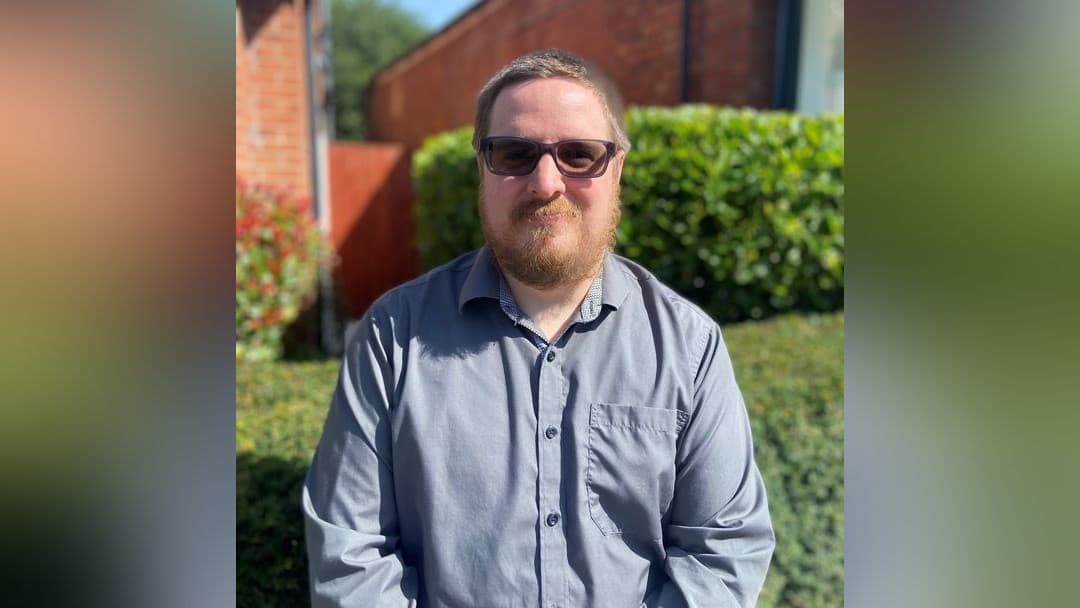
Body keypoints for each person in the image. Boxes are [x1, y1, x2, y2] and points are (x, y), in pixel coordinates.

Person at [303, 48, 775, 607]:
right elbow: (351, 557)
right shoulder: (392, 336)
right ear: (482, 168)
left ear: (617, 168)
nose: (546, 182)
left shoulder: (689, 345)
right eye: (514, 153)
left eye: (579, 154)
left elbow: (723, 550)